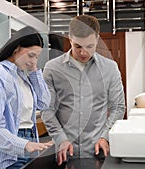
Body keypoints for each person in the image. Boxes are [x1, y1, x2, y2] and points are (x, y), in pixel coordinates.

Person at [41, 15, 125, 166]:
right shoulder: (52, 68)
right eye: (78, 46)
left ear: (97, 39)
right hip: (64, 154)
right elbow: (47, 109)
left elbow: (118, 107)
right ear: (70, 39)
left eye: (90, 46)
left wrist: (105, 137)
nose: (84, 52)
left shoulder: (110, 68)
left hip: (99, 153)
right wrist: (61, 139)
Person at [0, 26, 53, 169]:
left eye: (37, 57)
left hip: (28, 142)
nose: (34, 61)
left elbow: (44, 103)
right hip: (9, 152)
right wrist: (25, 144)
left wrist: (34, 71)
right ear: (17, 49)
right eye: (31, 55)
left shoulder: (20, 76)